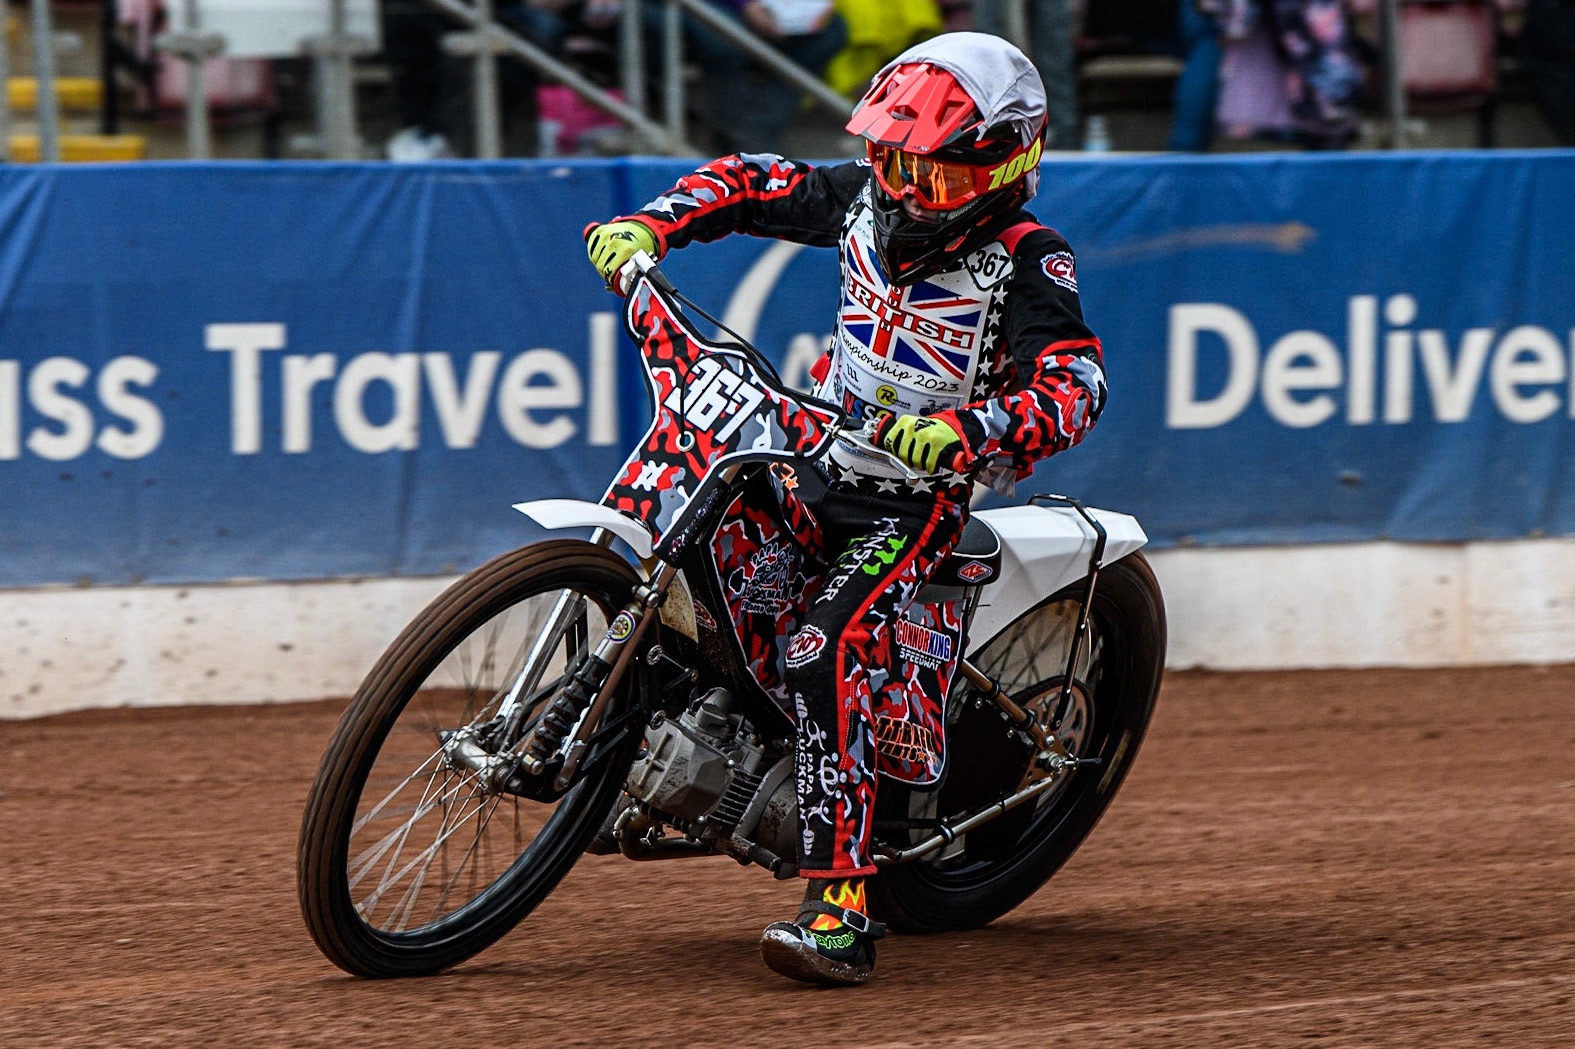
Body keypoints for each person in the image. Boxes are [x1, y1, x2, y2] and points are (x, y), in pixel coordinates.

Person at [582, 31, 1107, 985]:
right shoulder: (864, 201)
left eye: (935, 178)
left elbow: (1075, 385)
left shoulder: (1032, 262)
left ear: (1005, 164)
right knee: (698, 558)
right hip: (818, 454)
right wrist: (653, 224)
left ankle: (840, 904)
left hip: (910, 506)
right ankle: (601, 753)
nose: (905, 193)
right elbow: (751, 181)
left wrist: (975, 430)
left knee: (822, 648)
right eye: (892, 164)